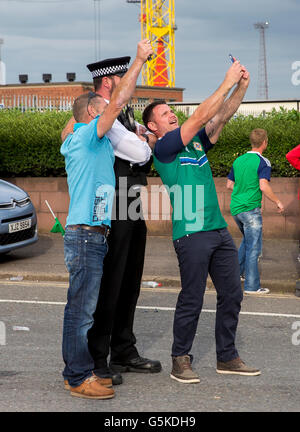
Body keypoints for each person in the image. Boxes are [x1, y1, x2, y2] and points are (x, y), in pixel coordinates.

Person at [142, 60, 261, 384]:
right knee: (192, 297)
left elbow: (220, 116)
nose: (171, 114)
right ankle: (180, 359)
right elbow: (200, 116)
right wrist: (225, 81)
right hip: (191, 232)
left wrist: (241, 87)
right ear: (154, 127)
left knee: (233, 293)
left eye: (171, 110)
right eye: (165, 113)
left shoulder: (194, 141)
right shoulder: (165, 147)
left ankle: (227, 356)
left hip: (217, 229)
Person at [60, 39, 153, 399]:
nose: (110, 113)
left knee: (85, 307)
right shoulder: (88, 135)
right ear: (92, 114)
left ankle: (84, 371)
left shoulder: (84, 136)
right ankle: (78, 375)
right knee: (81, 311)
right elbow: (115, 105)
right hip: (85, 233)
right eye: (103, 110)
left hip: (95, 231)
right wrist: (141, 60)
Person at [85, 52, 161, 385]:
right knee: (112, 279)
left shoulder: (123, 114)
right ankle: (98, 355)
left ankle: (124, 349)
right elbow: (141, 153)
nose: (130, 83)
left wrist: (143, 140)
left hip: (130, 198)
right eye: (124, 77)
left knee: (130, 279)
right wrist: (145, 140)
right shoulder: (101, 111)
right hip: (113, 201)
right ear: (108, 82)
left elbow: (143, 157)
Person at [227, 129, 285, 295]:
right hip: (250, 210)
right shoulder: (263, 162)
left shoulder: (238, 160)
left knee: (247, 242)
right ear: (264, 142)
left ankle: (236, 275)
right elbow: (263, 185)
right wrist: (278, 202)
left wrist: (242, 190)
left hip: (236, 209)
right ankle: (252, 287)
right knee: (254, 248)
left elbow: (229, 185)